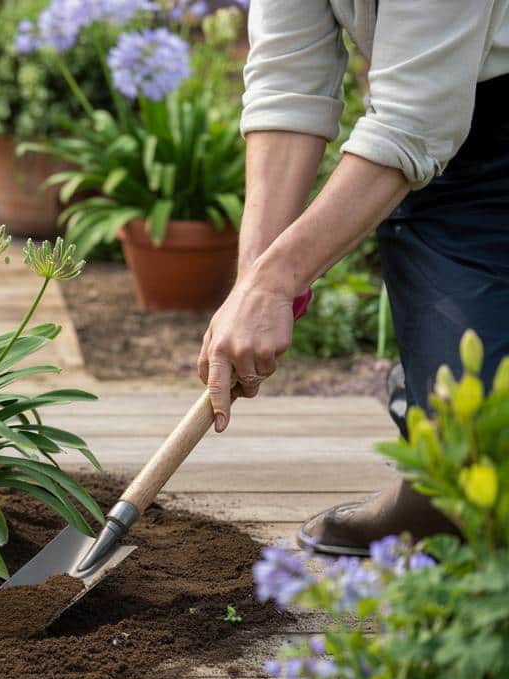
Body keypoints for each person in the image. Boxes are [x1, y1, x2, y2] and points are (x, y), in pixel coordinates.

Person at [198, 1, 509, 555]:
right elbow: (288, 80)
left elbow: (413, 120)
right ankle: (429, 436)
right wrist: (257, 280)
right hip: (457, 169)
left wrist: (273, 284)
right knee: (471, 458)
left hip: (450, 116)